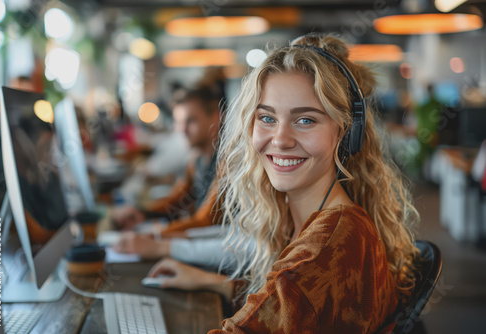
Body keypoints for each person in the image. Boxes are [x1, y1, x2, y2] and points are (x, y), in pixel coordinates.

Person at [147, 33, 420, 333]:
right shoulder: (319, 223)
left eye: (305, 120)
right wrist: (214, 282)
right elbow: (291, 303)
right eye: (266, 118)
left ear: (345, 132)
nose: (280, 139)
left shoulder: (330, 243)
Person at [113, 85, 221, 247]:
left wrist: (155, 235)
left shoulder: (227, 161)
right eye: (178, 122)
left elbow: (206, 220)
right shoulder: (196, 160)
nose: (182, 130)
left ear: (214, 117)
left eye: (190, 121)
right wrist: (141, 213)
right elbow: (177, 201)